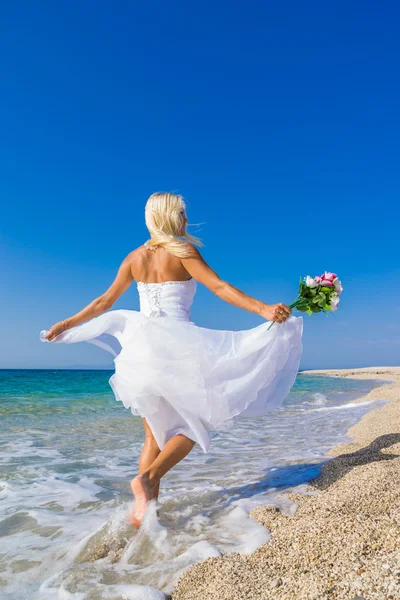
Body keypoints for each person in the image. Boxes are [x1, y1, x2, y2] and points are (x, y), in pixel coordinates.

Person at [40, 192, 303, 528]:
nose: (187, 220)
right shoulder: (183, 251)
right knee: (197, 424)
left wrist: (64, 325)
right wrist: (263, 309)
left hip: (140, 352)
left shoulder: (133, 258)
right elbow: (219, 287)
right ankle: (148, 480)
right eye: (182, 213)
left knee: (154, 436)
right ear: (169, 216)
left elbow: (103, 302)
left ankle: (145, 514)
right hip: (180, 349)